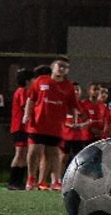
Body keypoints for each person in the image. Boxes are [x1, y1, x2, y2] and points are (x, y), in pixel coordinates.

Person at [21, 58, 81, 191]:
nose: (62, 68)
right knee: (34, 151)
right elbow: (31, 99)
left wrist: (75, 120)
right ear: (53, 67)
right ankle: (31, 179)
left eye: (65, 67)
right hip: (38, 123)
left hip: (56, 126)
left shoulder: (68, 86)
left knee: (53, 153)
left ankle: (55, 181)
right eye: (60, 65)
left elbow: (73, 106)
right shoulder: (41, 81)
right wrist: (27, 114)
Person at [6, 68, 33, 190]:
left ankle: (19, 181)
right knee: (20, 153)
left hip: (25, 128)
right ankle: (12, 181)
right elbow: (25, 106)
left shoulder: (26, 91)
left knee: (24, 153)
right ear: (27, 81)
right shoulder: (22, 91)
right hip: (19, 127)